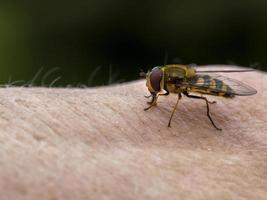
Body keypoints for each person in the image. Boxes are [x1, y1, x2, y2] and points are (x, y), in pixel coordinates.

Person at [0, 66, 266, 199]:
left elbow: (177, 97)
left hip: (204, 86)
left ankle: (210, 112)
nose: (152, 82)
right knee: (199, 96)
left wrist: (171, 117)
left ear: (163, 79)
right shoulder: (167, 81)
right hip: (196, 81)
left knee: (203, 98)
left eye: (154, 80)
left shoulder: (175, 85)